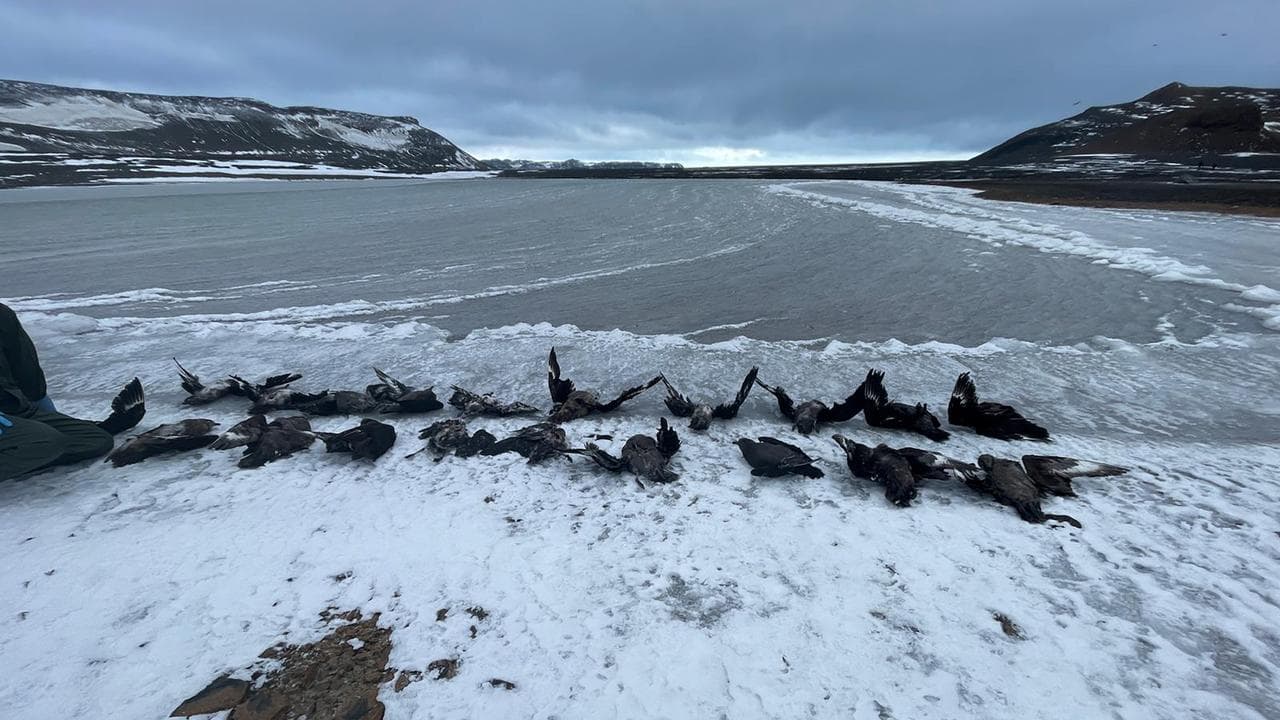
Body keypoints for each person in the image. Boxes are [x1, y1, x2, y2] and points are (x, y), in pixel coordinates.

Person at [1, 302, 117, 481]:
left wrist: (39, 400)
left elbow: (25, 369)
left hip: (11, 406)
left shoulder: (2, 315)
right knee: (47, 441)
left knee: (94, 440)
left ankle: (25, 446)